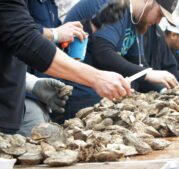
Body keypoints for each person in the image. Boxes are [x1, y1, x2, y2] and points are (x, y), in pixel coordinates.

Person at [0, 0, 131, 134]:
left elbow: (58, 44)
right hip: (16, 94)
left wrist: (95, 23)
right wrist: (96, 77)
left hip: (26, 84)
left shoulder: (49, 4)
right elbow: (24, 36)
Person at [55, 0, 179, 120]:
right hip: (70, 86)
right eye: (160, 14)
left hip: (94, 84)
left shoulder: (136, 19)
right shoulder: (117, 5)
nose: (158, 21)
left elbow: (137, 64)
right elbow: (102, 53)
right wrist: (147, 74)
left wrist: (163, 90)